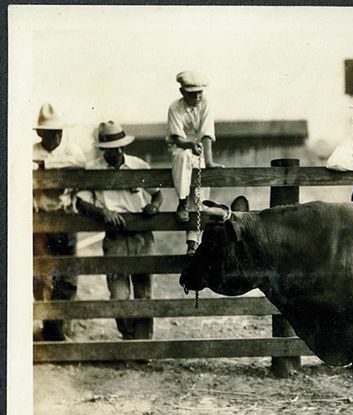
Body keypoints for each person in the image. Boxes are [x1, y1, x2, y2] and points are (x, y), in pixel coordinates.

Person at [76, 121, 163, 340]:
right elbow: (81, 202)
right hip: (114, 237)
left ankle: (142, 344)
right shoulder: (93, 170)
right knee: (118, 294)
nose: (116, 152)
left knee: (143, 291)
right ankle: (129, 338)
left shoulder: (138, 166)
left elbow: (157, 193)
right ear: (103, 149)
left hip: (141, 236)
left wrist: (154, 206)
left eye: (119, 146)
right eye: (110, 148)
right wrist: (102, 212)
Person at [32, 103, 87, 341]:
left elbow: (80, 166)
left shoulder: (71, 151)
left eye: (59, 132)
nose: (56, 137)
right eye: (51, 132)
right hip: (41, 221)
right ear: (39, 133)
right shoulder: (31, 152)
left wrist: (48, 166)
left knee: (67, 276)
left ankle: (62, 328)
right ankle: (50, 328)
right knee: (43, 277)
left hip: (66, 220)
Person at [167, 70, 221, 255]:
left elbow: (207, 134)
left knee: (199, 199)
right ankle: (182, 202)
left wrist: (210, 161)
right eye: (192, 93)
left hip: (200, 153)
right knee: (183, 157)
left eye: (200, 92)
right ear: (182, 92)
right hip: (181, 148)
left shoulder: (206, 105)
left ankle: (193, 243)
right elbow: (178, 139)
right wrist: (190, 144)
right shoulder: (175, 107)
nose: (198, 97)